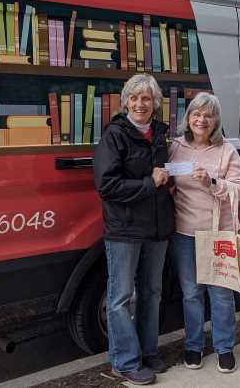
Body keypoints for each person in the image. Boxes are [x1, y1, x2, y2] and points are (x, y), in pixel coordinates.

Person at [93, 74, 175, 385]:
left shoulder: (159, 135)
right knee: (122, 297)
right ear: (126, 101)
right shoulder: (115, 135)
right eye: (135, 97)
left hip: (156, 228)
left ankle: (148, 351)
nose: (140, 104)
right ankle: (124, 361)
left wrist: (172, 180)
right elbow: (107, 185)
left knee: (152, 293)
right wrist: (149, 182)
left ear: (156, 104)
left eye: (147, 98)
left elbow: (163, 176)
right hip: (125, 229)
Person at [168, 92, 240, 373]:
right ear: (188, 118)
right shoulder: (175, 146)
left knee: (221, 294)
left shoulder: (226, 150)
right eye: (196, 114)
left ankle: (224, 347)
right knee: (191, 293)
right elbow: (169, 180)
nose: (202, 120)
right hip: (184, 231)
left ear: (216, 121)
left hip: (218, 232)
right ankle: (194, 345)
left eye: (208, 115)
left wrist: (212, 182)